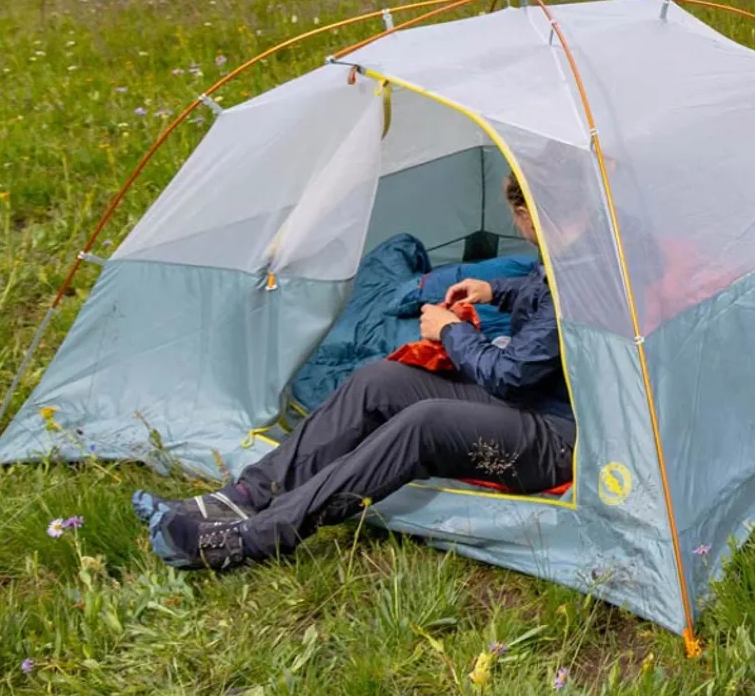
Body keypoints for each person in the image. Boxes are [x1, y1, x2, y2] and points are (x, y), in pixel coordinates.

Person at [133, 173, 575, 570]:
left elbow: (511, 374)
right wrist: (496, 290)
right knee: (378, 380)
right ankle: (246, 495)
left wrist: (452, 332)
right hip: (531, 402)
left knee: (425, 424)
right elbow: (544, 302)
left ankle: (253, 539)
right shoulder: (579, 247)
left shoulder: (582, 274)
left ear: (527, 215)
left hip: (559, 439)